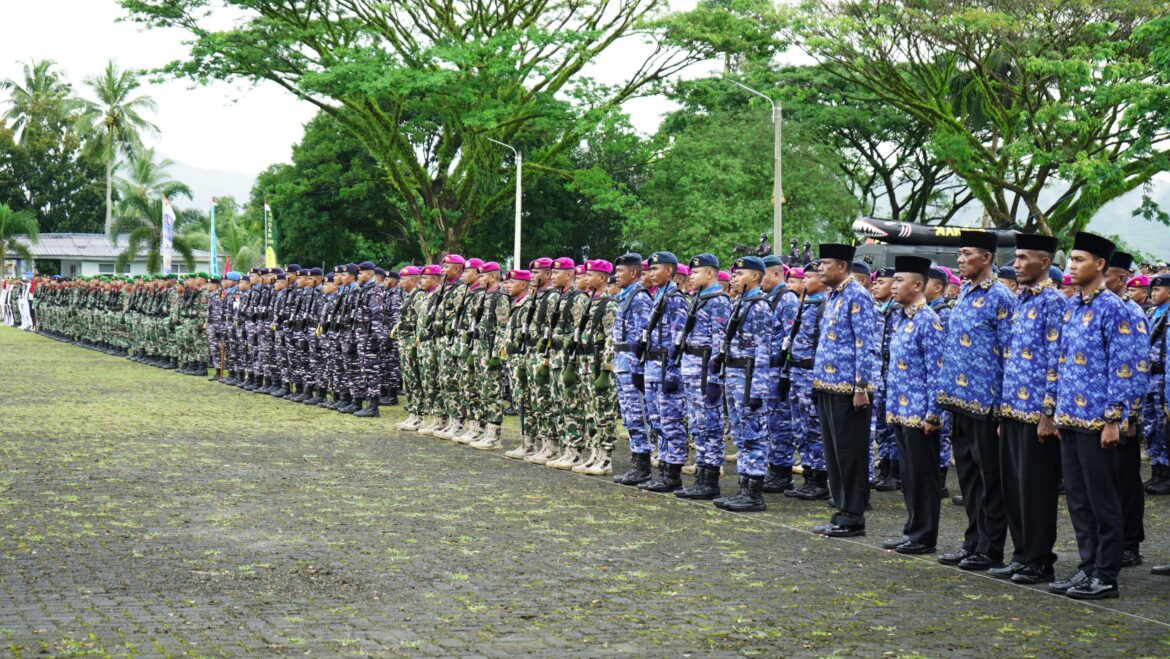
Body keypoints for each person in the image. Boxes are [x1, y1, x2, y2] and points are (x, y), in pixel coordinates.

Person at [1049, 232, 1146, 600]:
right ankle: (1087, 566)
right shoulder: (1073, 306)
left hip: (1098, 422)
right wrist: (1056, 411)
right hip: (1071, 418)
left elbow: (1124, 368)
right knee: (1078, 499)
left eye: (1078, 260)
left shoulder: (1113, 308)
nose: (1071, 266)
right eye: (1070, 260)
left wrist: (1113, 419)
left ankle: (1106, 574)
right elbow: (1062, 362)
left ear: (1100, 265)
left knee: (1103, 499)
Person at [936, 230, 1015, 572]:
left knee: (990, 480)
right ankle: (972, 543)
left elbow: (1009, 355)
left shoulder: (1001, 297)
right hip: (959, 401)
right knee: (968, 479)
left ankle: (991, 548)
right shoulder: (966, 291)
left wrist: (1003, 406)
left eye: (966, 253)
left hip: (987, 405)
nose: (959, 259)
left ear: (986, 258)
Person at [994, 233, 1065, 584]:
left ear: (1045, 264)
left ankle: (1039, 559)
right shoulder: (1021, 299)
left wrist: (1048, 412)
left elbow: (1056, 359)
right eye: (1017, 258)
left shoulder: (1053, 301)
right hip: (1013, 409)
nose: (1018, 264)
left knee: (1036, 489)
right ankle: (1021, 554)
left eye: (1025, 258)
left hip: (1037, 411)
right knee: (1014, 488)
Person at [811, 244, 878, 536]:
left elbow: (866, 344)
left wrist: (861, 386)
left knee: (850, 453)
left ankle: (854, 515)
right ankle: (842, 509)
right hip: (827, 386)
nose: (819, 269)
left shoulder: (857, 296)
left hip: (849, 390)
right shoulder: (834, 296)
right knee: (834, 453)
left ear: (842, 266)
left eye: (824, 264)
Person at [882, 256, 945, 554]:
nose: (893, 286)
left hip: (921, 414)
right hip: (902, 411)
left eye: (899, 281)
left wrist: (934, 413)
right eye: (893, 281)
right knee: (909, 476)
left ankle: (924, 535)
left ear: (918, 285)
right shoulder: (902, 318)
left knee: (923, 477)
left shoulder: (927, 321)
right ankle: (912, 528)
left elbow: (937, 371)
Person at [711, 256, 775, 512]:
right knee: (740, 435)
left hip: (749, 378)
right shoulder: (740, 303)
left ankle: (753, 493)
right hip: (735, 376)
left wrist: (758, 390)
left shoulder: (759, 307)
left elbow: (763, 351)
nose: (734, 278)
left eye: (740, 274)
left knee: (753, 435)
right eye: (733, 274)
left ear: (756, 277)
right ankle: (743, 487)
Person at [1104, 251, 1151, 568]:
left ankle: (1130, 542)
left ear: (1120, 278)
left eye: (1105, 273)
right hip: (1101, 413)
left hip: (1123, 415)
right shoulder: (1097, 309)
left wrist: (1130, 415)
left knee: (1125, 480)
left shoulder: (1131, 312)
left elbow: (1136, 368)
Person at [674, 254, 731, 499]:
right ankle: (701, 474)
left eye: (695, 273)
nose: (691, 277)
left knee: (710, 424)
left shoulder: (718, 301)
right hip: (692, 368)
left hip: (705, 370)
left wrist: (716, 378)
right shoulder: (699, 298)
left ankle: (709, 480)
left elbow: (721, 342)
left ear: (709, 273)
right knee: (698, 424)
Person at [637, 251, 690, 492]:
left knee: (671, 422)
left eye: (655, 269)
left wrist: (673, 372)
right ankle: (664, 468)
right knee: (657, 420)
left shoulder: (676, 299)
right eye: (649, 270)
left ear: (669, 271)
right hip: (652, 365)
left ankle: (673, 473)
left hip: (665, 367)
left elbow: (679, 338)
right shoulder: (660, 296)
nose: (650, 274)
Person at [782, 263, 829, 500]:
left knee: (814, 428)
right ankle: (809, 475)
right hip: (796, 373)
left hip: (810, 374)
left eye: (808, 277)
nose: (804, 281)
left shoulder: (824, 306)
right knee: (800, 427)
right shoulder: (804, 304)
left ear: (821, 281)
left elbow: (823, 346)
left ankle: (819, 478)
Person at [612, 254, 655, 485]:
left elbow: (642, 338)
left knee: (638, 416)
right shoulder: (626, 297)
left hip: (631, 366)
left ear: (634, 273)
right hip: (622, 363)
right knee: (629, 417)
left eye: (621, 271)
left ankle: (643, 466)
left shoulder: (639, 298)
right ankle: (637, 463)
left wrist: (638, 369)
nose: (616, 275)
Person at [1144, 274, 1170, 495]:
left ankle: (1166, 473)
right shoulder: (1152, 314)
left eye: (1158, 290)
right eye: (1151, 291)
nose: (1153, 294)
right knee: (1151, 425)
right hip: (1149, 378)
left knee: (1163, 426)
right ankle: (1156, 471)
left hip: (1163, 379)